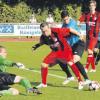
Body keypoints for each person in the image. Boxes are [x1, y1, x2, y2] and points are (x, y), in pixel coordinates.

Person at [32, 22, 86, 90]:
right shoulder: (43, 37)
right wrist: (36, 46)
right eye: (43, 31)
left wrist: (79, 34)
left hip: (65, 50)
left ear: (49, 28)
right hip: (55, 52)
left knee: (70, 63)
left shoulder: (56, 31)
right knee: (43, 64)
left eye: (46, 30)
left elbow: (70, 29)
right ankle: (44, 83)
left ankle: (80, 81)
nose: (45, 33)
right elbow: (42, 42)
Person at [58, 10, 91, 85]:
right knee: (60, 59)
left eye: (66, 19)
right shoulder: (63, 25)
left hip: (79, 43)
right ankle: (69, 76)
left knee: (74, 60)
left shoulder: (72, 22)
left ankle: (86, 79)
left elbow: (71, 30)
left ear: (69, 17)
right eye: (64, 20)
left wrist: (79, 34)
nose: (66, 21)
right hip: (71, 46)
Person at [79, 0, 100, 72]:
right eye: (90, 6)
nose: (91, 7)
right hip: (88, 36)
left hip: (94, 35)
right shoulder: (86, 15)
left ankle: (86, 68)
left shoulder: (98, 15)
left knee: (90, 50)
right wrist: (78, 23)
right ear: (89, 7)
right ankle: (93, 68)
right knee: (91, 51)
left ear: (95, 6)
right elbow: (80, 20)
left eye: (93, 6)